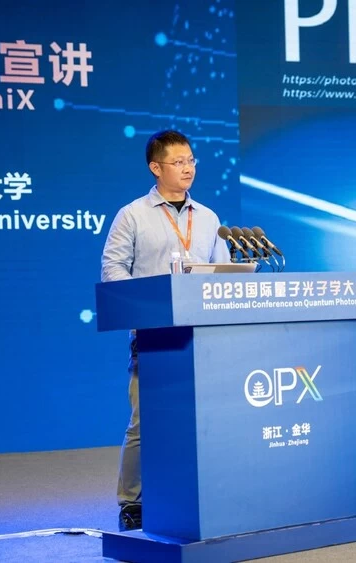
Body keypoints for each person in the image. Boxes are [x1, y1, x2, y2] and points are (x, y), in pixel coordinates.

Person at [100, 130, 231, 531]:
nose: (188, 168)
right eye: (178, 162)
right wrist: (145, 304)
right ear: (155, 168)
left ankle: (205, 493)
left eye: (191, 160)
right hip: (154, 337)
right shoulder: (132, 215)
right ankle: (132, 502)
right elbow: (113, 270)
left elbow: (225, 273)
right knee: (145, 424)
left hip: (204, 337)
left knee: (207, 419)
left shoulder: (208, 218)